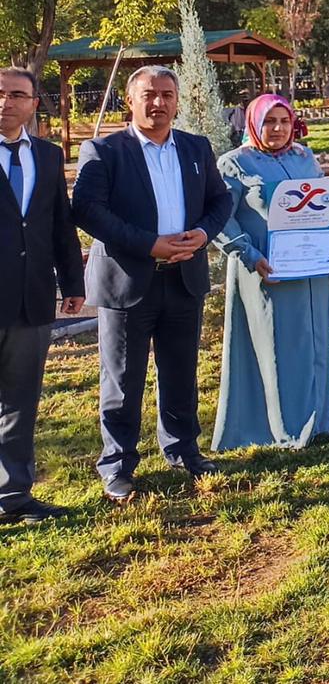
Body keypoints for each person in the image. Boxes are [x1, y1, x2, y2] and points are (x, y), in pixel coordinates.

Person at [73, 64, 232, 502]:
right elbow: (88, 210)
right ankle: (118, 466)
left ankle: (183, 450)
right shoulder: (103, 151)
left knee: (181, 372)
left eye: (167, 94)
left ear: (177, 101)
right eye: (149, 94)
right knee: (123, 380)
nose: (159, 103)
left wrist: (204, 233)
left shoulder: (196, 148)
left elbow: (221, 199)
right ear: (130, 99)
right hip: (129, 282)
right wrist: (150, 245)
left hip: (184, 279)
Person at [211, 93, 329, 451]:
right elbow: (221, 217)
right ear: (253, 123)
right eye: (269, 121)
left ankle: (318, 419)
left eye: (284, 121)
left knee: (313, 342)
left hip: (311, 272)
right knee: (277, 346)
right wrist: (248, 254)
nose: (278, 128)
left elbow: (320, 201)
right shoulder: (235, 164)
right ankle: (279, 426)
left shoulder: (303, 157)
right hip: (267, 272)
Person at [0, 67, 84, 523]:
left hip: (31, 300)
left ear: (34, 103)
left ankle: (13, 496)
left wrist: (73, 283)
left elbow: (59, 225)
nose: (5, 102)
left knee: (20, 401)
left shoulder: (49, 157)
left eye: (17, 95)